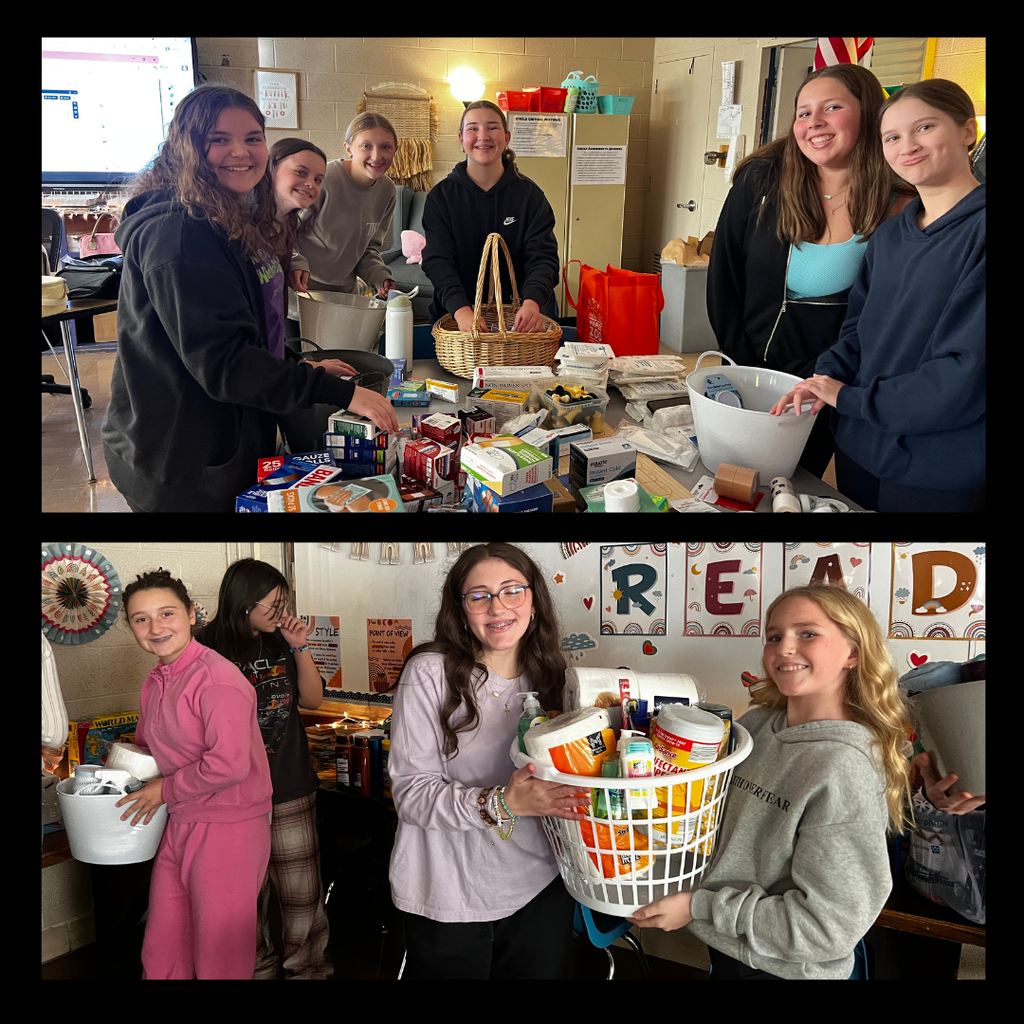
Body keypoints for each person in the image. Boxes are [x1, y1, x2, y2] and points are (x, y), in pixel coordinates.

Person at [101, 85, 397, 513]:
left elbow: (241, 333)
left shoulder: (224, 217)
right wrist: (341, 393)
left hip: (222, 444)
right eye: (218, 139)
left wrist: (298, 365)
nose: (240, 152)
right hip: (181, 465)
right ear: (186, 146)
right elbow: (226, 364)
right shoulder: (181, 234)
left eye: (252, 138)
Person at [630, 584, 916, 979]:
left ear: (853, 652)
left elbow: (826, 928)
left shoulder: (843, 766)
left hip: (787, 968)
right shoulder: (755, 726)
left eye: (808, 634)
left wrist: (699, 906)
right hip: (730, 946)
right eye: (774, 636)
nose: (784, 648)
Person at [770, 79, 984, 513]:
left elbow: (965, 371)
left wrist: (850, 398)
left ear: (967, 131)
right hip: (860, 445)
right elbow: (857, 329)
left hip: (938, 462)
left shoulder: (978, 233)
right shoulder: (889, 235)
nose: (907, 146)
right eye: (892, 137)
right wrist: (822, 380)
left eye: (924, 128)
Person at [387, 542, 589, 979]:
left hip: (540, 887)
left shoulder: (556, 675)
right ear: (461, 610)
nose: (497, 607)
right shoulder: (429, 672)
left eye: (512, 590)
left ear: (533, 601)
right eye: (478, 595)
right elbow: (412, 795)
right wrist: (502, 803)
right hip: (450, 891)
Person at [707, 63, 913, 477]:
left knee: (795, 486)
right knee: (734, 481)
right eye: (803, 112)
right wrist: (742, 368)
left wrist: (827, 381)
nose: (814, 123)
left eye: (832, 107)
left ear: (869, 113)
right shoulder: (762, 180)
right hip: (750, 369)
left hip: (829, 386)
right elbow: (723, 279)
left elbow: (880, 315)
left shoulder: (899, 203)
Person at [114, 569, 272, 980]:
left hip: (229, 827)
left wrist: (164, 789)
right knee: (165, 945)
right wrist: (109, 773)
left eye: (167, 613)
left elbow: (230, 764)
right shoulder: (156, 680)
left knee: (220, 956)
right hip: (181, 819)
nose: (155, 627)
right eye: (140, 619)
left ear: (190, 614)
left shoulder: (218, 679)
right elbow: (149, 749)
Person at [194, 558, 332, 980]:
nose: (282, 612)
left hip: (289, 786)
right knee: (243, 898)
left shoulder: (281, 641)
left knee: (301, 897)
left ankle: (307, 971)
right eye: (274, 605)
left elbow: (312, 701)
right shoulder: (203, 648)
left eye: (284, 602)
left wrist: (300, 645)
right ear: (244, 603)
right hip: (230, 796)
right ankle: (254, 970)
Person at [421, 100, 559, 333]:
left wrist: (532, 302)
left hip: (519, 323)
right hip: (457, 317)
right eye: (473, 128)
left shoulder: (530, 196)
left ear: (506, 138)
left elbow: (543, 257)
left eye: (492, 127)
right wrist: (461, 310)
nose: (483, 136)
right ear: (461, 139)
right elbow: (438, 261)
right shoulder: (441, 197)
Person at [284, 113, 399, 339]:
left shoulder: (388, 191)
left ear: (396, 149)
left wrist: (379, 276)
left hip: (341, 302)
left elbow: (369, 248)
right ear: (349, 148)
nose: (376, 155)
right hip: (297, 300)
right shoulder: (324, 179)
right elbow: (283, 229)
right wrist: (295, 261)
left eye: (385, 146)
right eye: (366, 145)